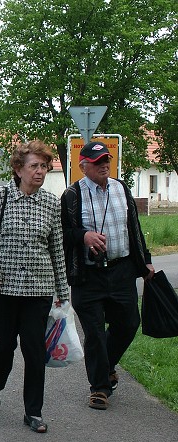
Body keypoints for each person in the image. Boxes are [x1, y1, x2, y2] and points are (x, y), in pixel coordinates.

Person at [0, 140, 69, 433]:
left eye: (44, 166)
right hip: (3, 289)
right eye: (34, 166)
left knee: (34, 351)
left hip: (38, 291)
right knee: (4, 346)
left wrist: (62, 293)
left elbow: (57, 249)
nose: (40, 172)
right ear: (18, 168)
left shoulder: (52, 203)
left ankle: (34, 412)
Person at [60, 141, 155, 411]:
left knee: (128, 324)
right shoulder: (71, 195)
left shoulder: (121, 188)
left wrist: (145, 262)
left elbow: (133, 228)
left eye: (107, 160)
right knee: (95, 333)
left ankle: (107, 365)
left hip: (122, 269)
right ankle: (99, 388)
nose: (104, 165)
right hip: (88, 276)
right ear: (83, 167)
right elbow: (61, 234)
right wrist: (84, 235)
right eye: (98, 162)